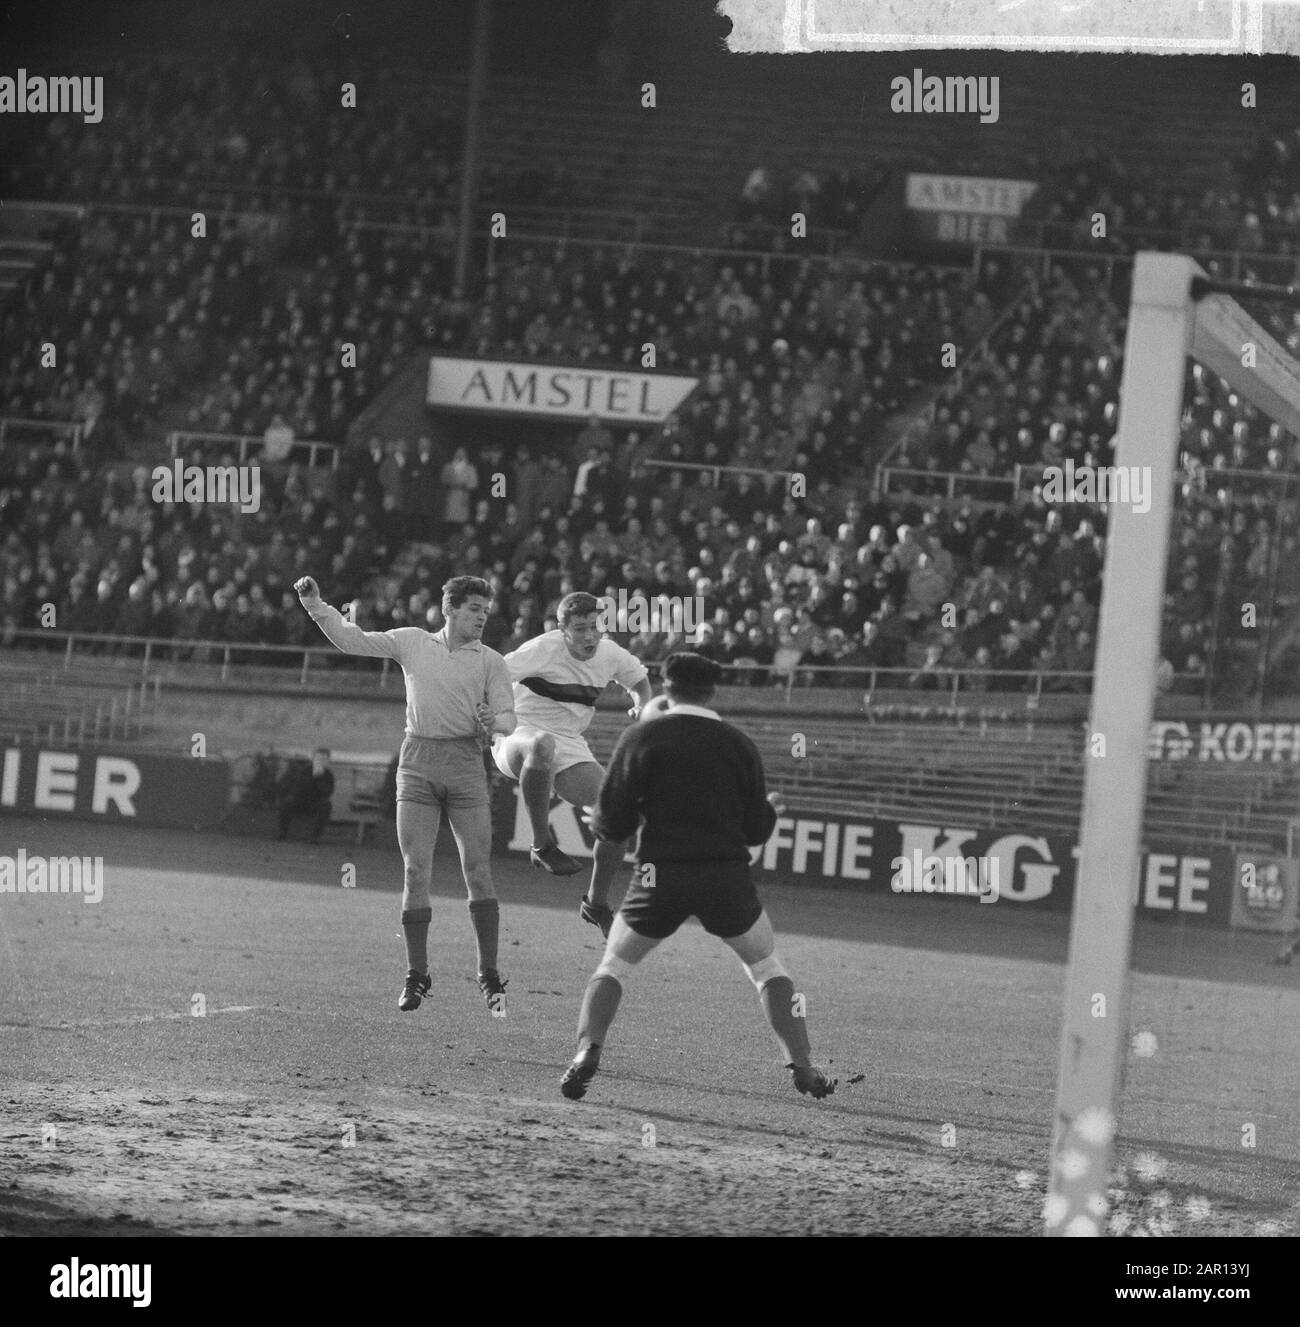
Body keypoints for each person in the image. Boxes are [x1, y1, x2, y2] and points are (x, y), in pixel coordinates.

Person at [560, 652, 835, 1101]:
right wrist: (767, 810)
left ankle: (586, 1052)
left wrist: (601, 817)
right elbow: (756, 829)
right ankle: (802, 1067)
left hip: (657, 878)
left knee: (614, 966)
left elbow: (612, 827)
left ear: (667, 687)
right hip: (724, 879)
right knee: (766, 967)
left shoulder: (641, 737)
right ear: (714, 691)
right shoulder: (739, 745)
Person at [295, 573, 517, 1013]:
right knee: (416, 871)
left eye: (486, 612)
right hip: (416, 761)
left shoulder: (491, 661)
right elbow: (351, 640)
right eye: (475, 609)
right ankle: (417, 974)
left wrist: (496, 722)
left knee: (478, 870)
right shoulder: (413, 641)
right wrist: (315, 604)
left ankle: (488, 974)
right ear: (450, 608)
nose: (482, 618)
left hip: (465, 765)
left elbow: (509, 720)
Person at [493, 591, 652, 938]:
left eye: (595, 626)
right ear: (562, 630)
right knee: (541, 744)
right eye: (580, 628)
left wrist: (642, 704)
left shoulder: (609, 652)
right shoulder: (542, 649)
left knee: (620, 813)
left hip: (568, 741)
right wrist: (490, 716)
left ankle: (595, 903)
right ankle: (541, 845)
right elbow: (493, 673)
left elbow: (639, 680)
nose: (590, 635)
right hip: (518, 733)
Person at [276, 746, 334, 842]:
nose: (320, 761)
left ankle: (315, 836)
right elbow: (300, 788)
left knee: (326, 805)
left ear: (327, 761)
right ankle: (282, 833)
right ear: (313, 759)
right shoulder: (305, 771)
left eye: (324, 759)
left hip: (316, 803)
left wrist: (319, 779)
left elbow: (328, 792)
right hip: (301, 800)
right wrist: (313, 778)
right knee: (287, 803)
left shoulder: (328, 775)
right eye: (318, 758)